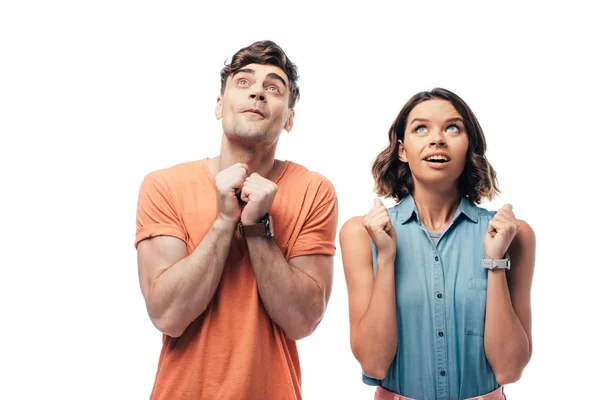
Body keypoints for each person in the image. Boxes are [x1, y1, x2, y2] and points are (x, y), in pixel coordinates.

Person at [134, 40, 338, 400]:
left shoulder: (314, 190)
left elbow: (303, 321)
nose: (258, 92)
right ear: (218, 106)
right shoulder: (164, 185)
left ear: (289, 118)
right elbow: (167, 315)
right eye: (244, 82)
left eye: (274, 88)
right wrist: (223, 221)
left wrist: (258, 230)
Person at [340, 88, 535, 400]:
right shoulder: (361, 234)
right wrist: (387, 258)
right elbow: (374, 364)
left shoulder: (513, 235)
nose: (437, 139)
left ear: (468, 144)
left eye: (452, 128)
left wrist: (495, 264)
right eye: (421, 128)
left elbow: (508, 369)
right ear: (402, 150)